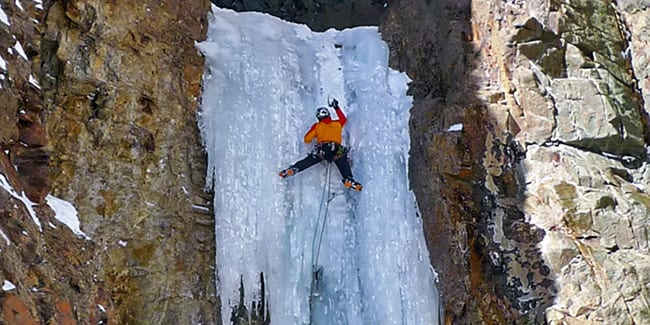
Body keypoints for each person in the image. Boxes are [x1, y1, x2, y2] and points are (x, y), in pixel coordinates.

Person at [279, 99, 362, 191]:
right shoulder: (337, 123)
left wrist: (315, 132)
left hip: (324, 148)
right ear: (328, 115)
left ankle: (294, 169)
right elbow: (343, 119)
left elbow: (307, 139)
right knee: (342, 161)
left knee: (309, 160)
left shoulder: (317, 126)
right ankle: (348, 178)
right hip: (336, 148)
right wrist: (336, 107)